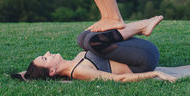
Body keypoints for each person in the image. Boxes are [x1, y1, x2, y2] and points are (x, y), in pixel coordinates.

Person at [12, 16, 176, 82]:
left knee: (82, 39)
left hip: (138, 50)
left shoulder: (75, 61)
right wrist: (156, 74)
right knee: (92, 42)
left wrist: (26, 75)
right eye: (45, 59)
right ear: (53, 71)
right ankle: (141, 26)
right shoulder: (79, 71)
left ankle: (112, 18)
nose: (48, 53)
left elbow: (30, 74)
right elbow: (119, 79)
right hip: (144, 60)